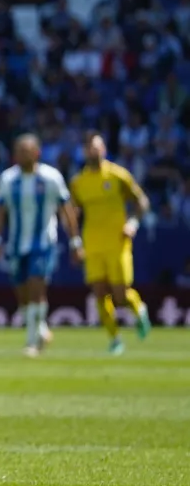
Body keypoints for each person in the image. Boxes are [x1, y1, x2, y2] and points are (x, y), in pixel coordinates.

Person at [0, 134, 81, 357]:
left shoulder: (51, 178)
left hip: (43, 243)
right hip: (16, 244)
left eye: (26, 150)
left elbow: (66, 210)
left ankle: (32, 342)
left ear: (37, 153)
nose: (22, 154)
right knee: (21, 293)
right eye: (18, 150)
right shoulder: (7, 179)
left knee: (35, 288)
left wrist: (75, 240)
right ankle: (40, 328)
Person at [69, 131, 151, 355]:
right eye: (89, 148)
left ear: (103, 149)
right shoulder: (79, 183)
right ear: (84, 152)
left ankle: (139, 308)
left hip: (117, 242)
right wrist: (75, 243)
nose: (93, 151)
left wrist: (133, 223)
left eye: (96, 147)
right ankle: (115, 339)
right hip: (93, 244)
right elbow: (71, 214)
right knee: (99, 294)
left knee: (120, 295)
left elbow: (141, 201)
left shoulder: (118, 176)